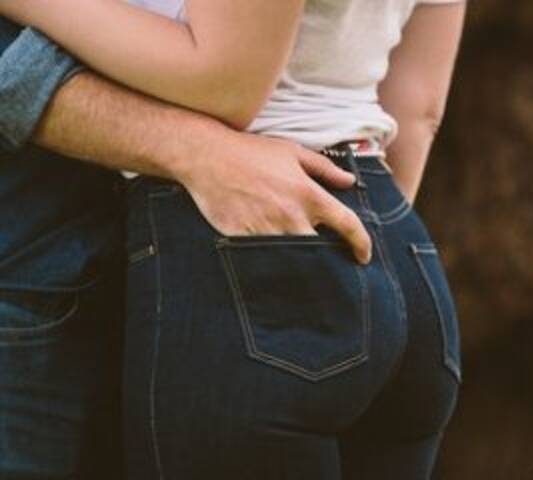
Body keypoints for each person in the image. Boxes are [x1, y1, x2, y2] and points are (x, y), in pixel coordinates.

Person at [0, 0, 466, 478]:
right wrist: (361, 258)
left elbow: (224, 83)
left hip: (250, 248)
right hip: (396, 248)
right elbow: (419, 112)